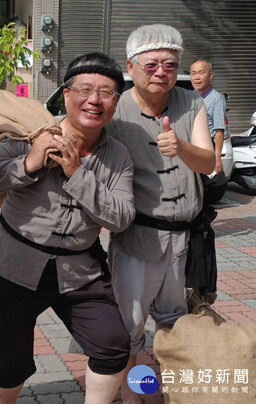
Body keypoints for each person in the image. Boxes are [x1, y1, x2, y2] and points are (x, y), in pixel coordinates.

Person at [0, 52, 135, 404]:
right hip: (11, 267)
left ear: (116, 102)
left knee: (112, 345)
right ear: (66, 94)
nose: (94, 100)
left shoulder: (118, 155)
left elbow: (121, 217)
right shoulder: (30, 132)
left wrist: (79, 174)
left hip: (80, 273)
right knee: (10, 362)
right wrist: (29, 162)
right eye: (85, 89)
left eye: (105, 93)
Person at [107, 24, 215, 403]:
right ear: (130, 66)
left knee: (173, 320)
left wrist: (181, 146)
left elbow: (209, 163)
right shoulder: (115, 109)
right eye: (151, 64)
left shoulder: (191, 102)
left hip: (183, 236)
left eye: (170, 64)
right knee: (131, 325)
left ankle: (168, 390)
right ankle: (130, 393)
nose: (161, 72)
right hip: (138, 237)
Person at [190, 59, 227, 175]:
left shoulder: (216, 98)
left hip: (207, 146)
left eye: (201, 72)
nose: (197, 77)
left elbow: (219, 130)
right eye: (193, 73)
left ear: (210, 75)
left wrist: (217, 159)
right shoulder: (191, 96)